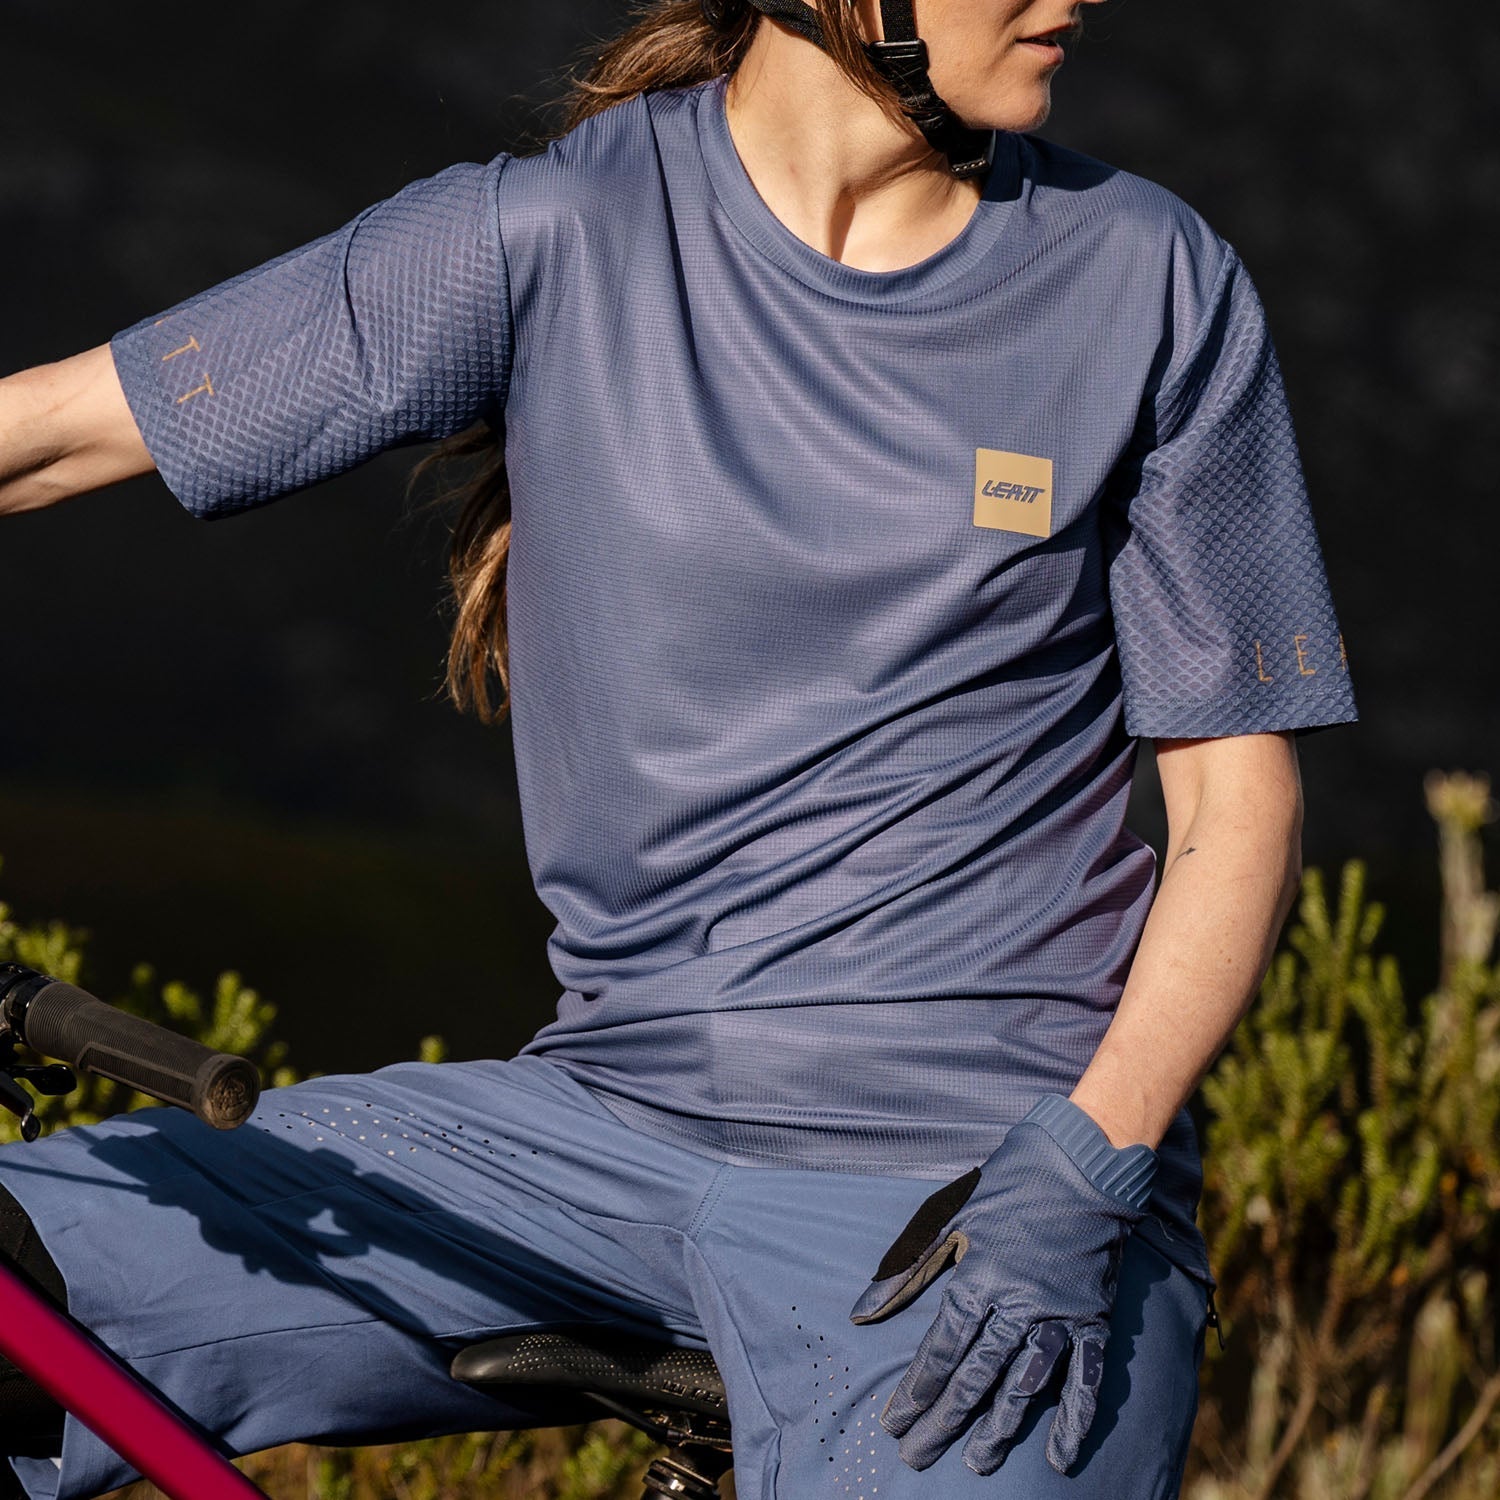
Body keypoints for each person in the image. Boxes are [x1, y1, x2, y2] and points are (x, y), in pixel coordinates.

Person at [0, 0, 1357, 1496]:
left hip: (978, 1182)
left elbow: (1238, 802)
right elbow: (51, 433)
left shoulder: (1145, 276)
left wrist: (1095, 1157)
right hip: (588, 1130)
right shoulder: (550, 233)